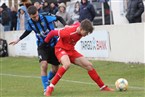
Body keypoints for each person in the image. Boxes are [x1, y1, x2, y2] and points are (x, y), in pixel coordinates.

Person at [42, 19, 114, 96]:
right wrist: (44, 44)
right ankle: (50, 88)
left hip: (71, 51)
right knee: (66, 64)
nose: (86, 35)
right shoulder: (68, 32)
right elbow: (52, 33)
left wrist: (68, 25)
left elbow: (77, 23)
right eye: (86, 33)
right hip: (60, 49)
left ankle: (102, 87)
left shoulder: (79, 26)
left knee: (89, 65)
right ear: (81, 29)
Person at [9, 5, 66, 95]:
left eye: (36, 15)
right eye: (33, 17)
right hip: (42, 46)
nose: (35, 18)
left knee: (55, 69)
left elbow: (59, 17)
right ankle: (45, 87)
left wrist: (66, 25)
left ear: (37, 12)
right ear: (30, 16)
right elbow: (27, 31)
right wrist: (18, 40)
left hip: (53, 45)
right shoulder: (30, 22)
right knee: (44, 64)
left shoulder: (46, 16)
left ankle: (46, 80)